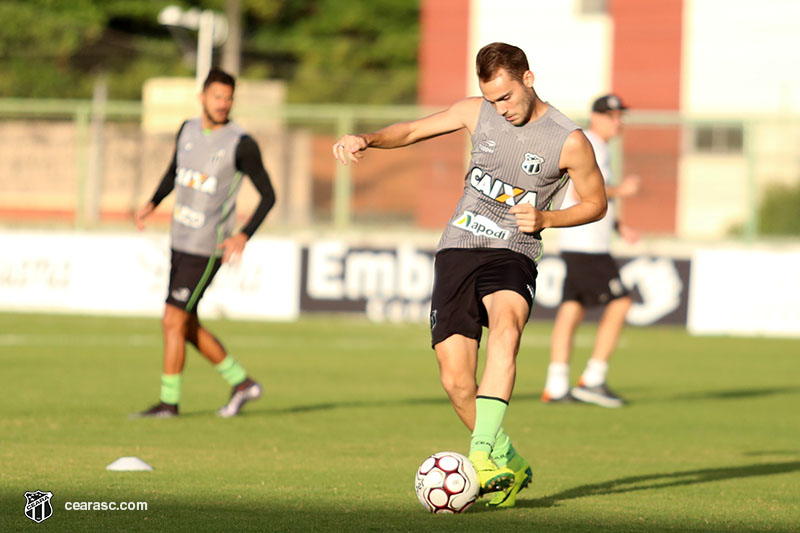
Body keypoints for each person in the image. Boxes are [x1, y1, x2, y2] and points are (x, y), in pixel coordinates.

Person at [332, 42, 607, 507]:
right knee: (456, 381)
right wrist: (368, 139)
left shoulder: (569, 139)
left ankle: (479, 457)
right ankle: (509, 463)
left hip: (512, 253)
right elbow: (414, 130)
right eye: (492, 99)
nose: (500, 109)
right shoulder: (476, 113)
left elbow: (596, 203)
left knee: (506, 330)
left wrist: (547, 220)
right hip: (458, 248)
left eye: (507, 98)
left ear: (528, 80)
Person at [134, 67, 276, 418]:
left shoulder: (241, 144)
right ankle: (242, 384)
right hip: (179, 240)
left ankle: (169, 403)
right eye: (217, 96)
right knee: (185, 323)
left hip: (208, 246)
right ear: (202, 97)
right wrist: (152, 203)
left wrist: (243, 234)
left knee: (172, 320)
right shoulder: (187, 129)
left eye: (228, 98)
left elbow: (269, 195)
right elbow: (174, 171)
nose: (223, 103)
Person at [541, 94, 641, 408]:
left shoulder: (598, 145)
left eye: (620, 115)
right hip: (586, 244)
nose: (618, 121)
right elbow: (579, 189)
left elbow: (593, 196)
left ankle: (556, 384)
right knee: (621, 302)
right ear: (595, 117)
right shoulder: (592, 143)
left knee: (571, 310)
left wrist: (618, 224)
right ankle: (593, 379)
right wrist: (620, 191)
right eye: (612, 115)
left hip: (583, 241)